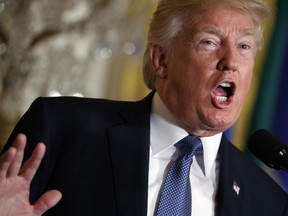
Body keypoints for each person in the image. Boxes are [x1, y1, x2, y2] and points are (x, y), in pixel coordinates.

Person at [0, 0, 288, 215]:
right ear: (161, 60)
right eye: (210, 41)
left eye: (244, 46)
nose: (231, 62)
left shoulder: (267, 201)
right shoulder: (62, 129)